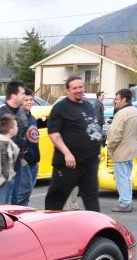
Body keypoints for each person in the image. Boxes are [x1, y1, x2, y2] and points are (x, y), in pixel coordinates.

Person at [44, 75, 103, 212]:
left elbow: (92, 128)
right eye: (74, 88)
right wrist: (67, 153)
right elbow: (54, 133)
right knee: (56, 200)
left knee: (92, 198)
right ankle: (48, 228)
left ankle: (97, 230)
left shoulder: (88, 105)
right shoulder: (60, 107)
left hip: (89, 163)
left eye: (80, 87)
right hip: (69, 164)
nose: (78, 90)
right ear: (68, 90)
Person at [107, 88, 137, 212]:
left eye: (117, 99)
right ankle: (127, 201)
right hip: (132, 150)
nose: (115, 101)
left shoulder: (121, 114)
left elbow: (114, 134)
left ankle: (125, 203)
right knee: (126, 177)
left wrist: (110, 147)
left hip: (121, 151)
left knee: (121, 177)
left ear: (124, 99)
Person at [11, 89, 41, 206]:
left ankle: (23, 216)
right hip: (23, 162)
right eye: (25, 100)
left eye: (31, 100)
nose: (29, 102)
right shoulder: (17, 118)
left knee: (27, 194)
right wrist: (21, 158)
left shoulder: (32, 118)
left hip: (34, 161)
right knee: (21, 194)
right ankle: (15, 217)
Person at [0, 81, 27, 155]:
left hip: (18, 161)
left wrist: (23, 155)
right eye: (22, 94)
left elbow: (23, 135)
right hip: (3, 162)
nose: (25, 96)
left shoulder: (21, 112)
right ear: (14, 96)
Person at [0, 114, 20, 204]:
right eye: (16, 126)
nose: (18, 128)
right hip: (1, 184)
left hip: (7, 181)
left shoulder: (8, 142)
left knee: (5, 207)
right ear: (11, 130)